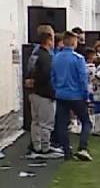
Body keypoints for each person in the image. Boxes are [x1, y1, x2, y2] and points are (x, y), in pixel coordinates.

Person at [50, 32, 92, 161]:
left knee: (62, 124)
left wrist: (57, 89)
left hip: (61, 95)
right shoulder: (78, 58)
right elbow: (82, 78)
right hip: (76, 95)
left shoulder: (56, 57)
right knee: (86, 121)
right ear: (74, 42)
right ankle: (82, 148)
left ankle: (67, 152)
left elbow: (53, 77)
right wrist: (86, 95)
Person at [24, 25, 58, 159]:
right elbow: (46, 75)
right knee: (46, 123)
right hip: (44, 93)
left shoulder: (34, 54)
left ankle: (36, 146)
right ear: (49, 38)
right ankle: (45, 148)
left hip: (33, 93)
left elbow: (30, 72)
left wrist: (31, 82)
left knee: (36, 121)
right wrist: (52, 93)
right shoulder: (46, 56)